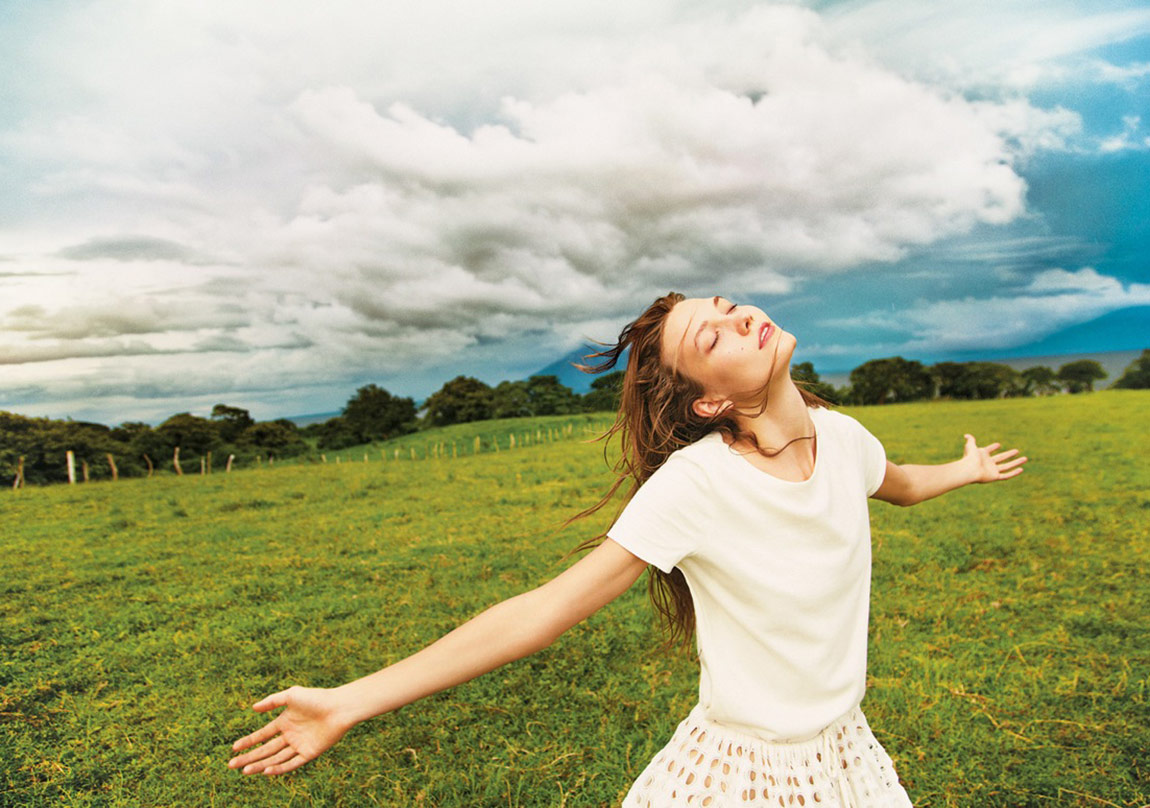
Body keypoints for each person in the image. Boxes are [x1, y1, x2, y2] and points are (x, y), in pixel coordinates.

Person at [228, 292, 1027, 806]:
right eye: (714, 336)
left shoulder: (846, 439)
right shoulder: (698, 484)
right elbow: (542, 613)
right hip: (745, 775)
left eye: (728, 306)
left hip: (844, 754)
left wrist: (966, 469)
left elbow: (901, 483)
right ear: (711, 399)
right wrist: (350, 700)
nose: (743, 316)